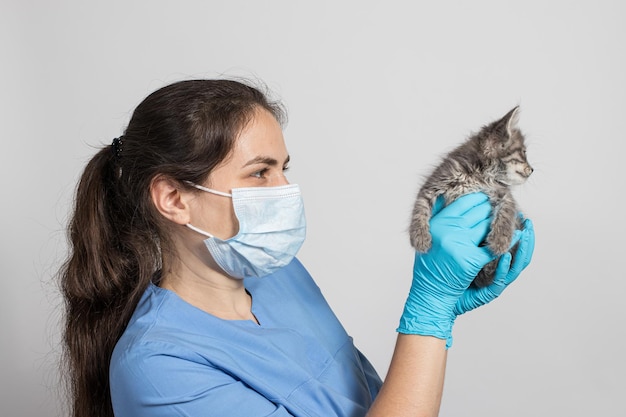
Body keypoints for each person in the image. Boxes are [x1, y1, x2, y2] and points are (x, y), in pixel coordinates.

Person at [58, 79, 535, 417]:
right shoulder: (159, 368)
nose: (287, 189)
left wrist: (443, 310)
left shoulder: (279, 276)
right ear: (174, 199)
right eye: (260, 172)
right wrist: (428, 309)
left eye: (285, 167)